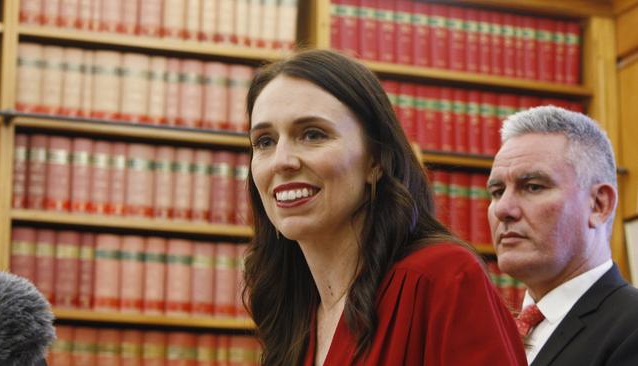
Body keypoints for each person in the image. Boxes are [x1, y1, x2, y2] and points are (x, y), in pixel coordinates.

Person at [242, 49, 526, 366]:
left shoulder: (442, 277)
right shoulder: (295, 309)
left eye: (312, 134)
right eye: (264, 141)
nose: (282, 161)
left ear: (375, 159)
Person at [487, 105, 638, 366]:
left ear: (599, 205)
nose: (503, 209)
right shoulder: (494, 333)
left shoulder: (631, 328)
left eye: (533, 187)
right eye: (498, 191)